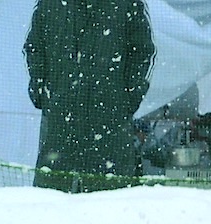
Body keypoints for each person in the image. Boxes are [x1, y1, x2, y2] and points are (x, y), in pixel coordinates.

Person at [23, 0, 156, 192]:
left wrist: (127, 99)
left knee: (111, 207)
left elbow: (144, 52)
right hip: (59, 127)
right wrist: (41, 91)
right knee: (51, 208)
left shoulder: (127, 4)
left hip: (109, 127)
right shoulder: (50, 4)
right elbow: (34, 47)